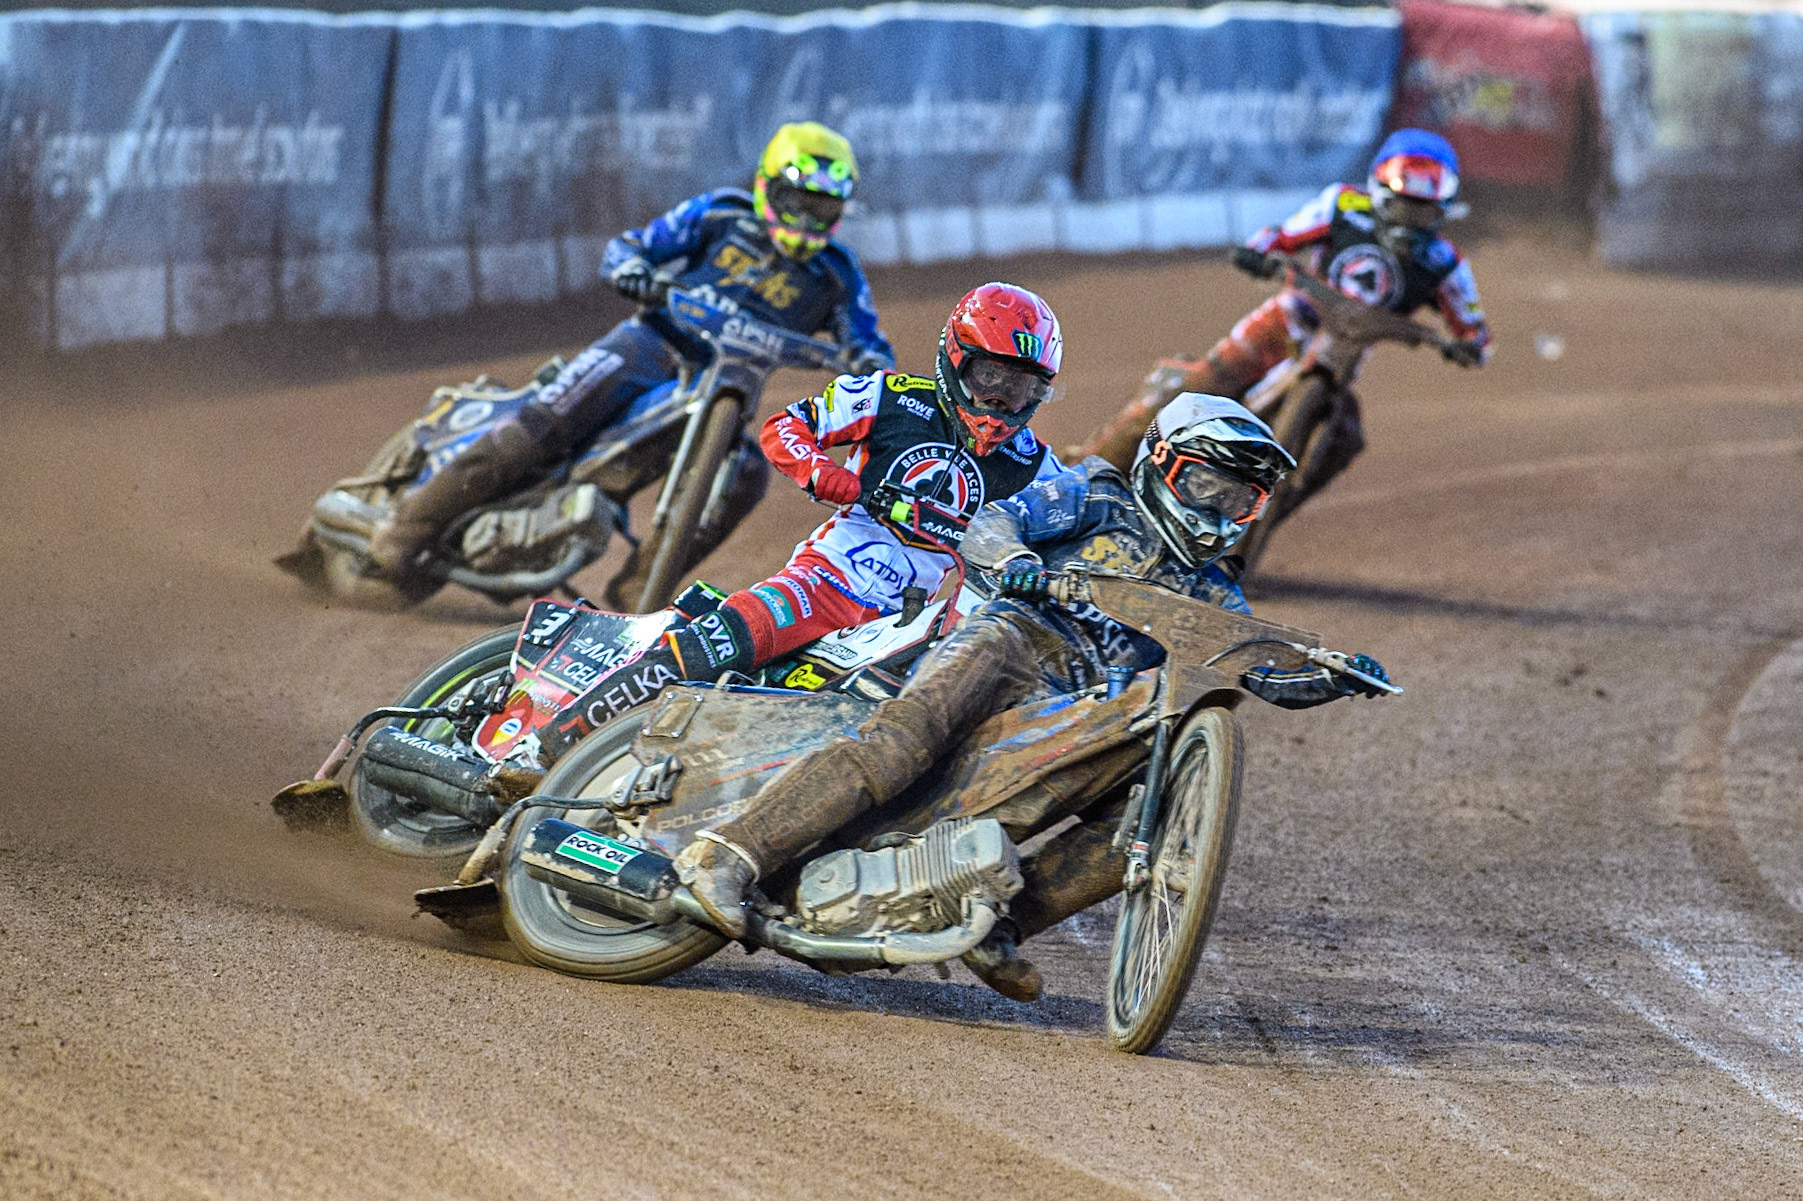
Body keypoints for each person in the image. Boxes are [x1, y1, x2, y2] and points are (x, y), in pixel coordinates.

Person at [673, 393, 1391, 1000]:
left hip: (1075, 706)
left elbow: (1258, 669)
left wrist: (1325, 676)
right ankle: (727, 852)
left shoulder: (1212, 588)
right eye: (1209, 486)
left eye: (1240, 497)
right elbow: (995, 520)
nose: (1221, 508)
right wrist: (1014, 560)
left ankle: (1001, 928)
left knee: (1145, 815)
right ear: (1164, 464)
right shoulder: (1095, 495)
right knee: (903, 740)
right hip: (1012, 639)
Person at [537, 282, 1068, 760]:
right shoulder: (890, 397)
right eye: (989, 376)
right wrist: (836, 480)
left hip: (911, 627)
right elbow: (786, 426)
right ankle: (542, 749)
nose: (999, 400)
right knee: (718, 646)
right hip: (825, 581)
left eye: (1018, 387)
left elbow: (1078, 521)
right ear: (956, 359)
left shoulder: (1038, 466)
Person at [368, 122, 894, 597]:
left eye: (822, 207)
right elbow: (632, 246)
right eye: (797, 199)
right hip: (648, 346)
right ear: (767, 187)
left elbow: (870, 344)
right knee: (545, 416)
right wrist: (633, 270)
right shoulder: (720, 213)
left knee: (748, 476)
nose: (806, 217)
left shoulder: (837, 273)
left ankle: (634, 597)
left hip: (727, 388)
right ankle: (406, 525)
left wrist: (869, 365)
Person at [1076, 129, 1493, 473]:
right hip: (1291, 317)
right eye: (1404, 205)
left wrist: (1470, 345)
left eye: (1422, 212)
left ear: (1443, 209)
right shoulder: (1343, 205)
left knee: (1344, 443)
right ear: (1381, 192)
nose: (1409, 221)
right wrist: (1259, 251)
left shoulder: (1446, 262)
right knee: (1195, 391)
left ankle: (1265, 517)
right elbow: (1281, 234)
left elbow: (1474, 327)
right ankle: (1088, 472)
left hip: (1347, 351)